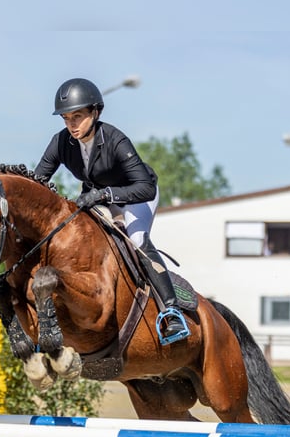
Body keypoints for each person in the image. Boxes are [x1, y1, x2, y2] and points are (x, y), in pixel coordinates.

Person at [34, 78, 188, 345]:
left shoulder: (116, 140)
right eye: (67, 118)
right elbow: (39, 181)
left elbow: (144, 188)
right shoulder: (61, 142)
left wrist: (106, 195)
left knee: (138, 238)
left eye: (78, 117)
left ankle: (171, 311)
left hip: (136, 195)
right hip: (98, 196)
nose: (72, 125)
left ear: (95, 112)